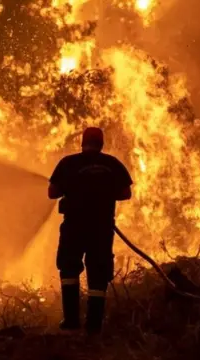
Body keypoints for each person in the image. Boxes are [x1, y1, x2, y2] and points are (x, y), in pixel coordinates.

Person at [48, 127, 133, 335]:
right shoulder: (112, 164)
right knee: (98, 273)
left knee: (69, 269)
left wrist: (74, 190)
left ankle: (71, 321)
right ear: (101, 144)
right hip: (101, 228)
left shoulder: (68, 163)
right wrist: (103, 194)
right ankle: (94, 326)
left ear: (82, 142)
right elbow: (125, 193)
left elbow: (52, 192)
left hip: (74, 227)